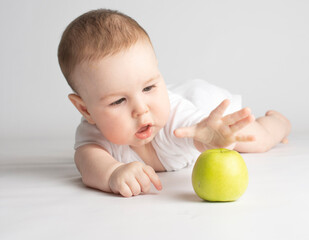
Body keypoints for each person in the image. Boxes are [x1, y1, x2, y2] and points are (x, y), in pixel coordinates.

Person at [57, 9, 291, 198]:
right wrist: (113, 173)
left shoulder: (174, 115)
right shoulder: (93, 136)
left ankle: (277, 122)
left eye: (149, 87)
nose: (141, 109)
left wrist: (209, 135)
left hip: (206, 108)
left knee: (254, 140)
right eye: (118, 101)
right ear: (85, 109)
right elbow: (87, 163)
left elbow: (198, 131)